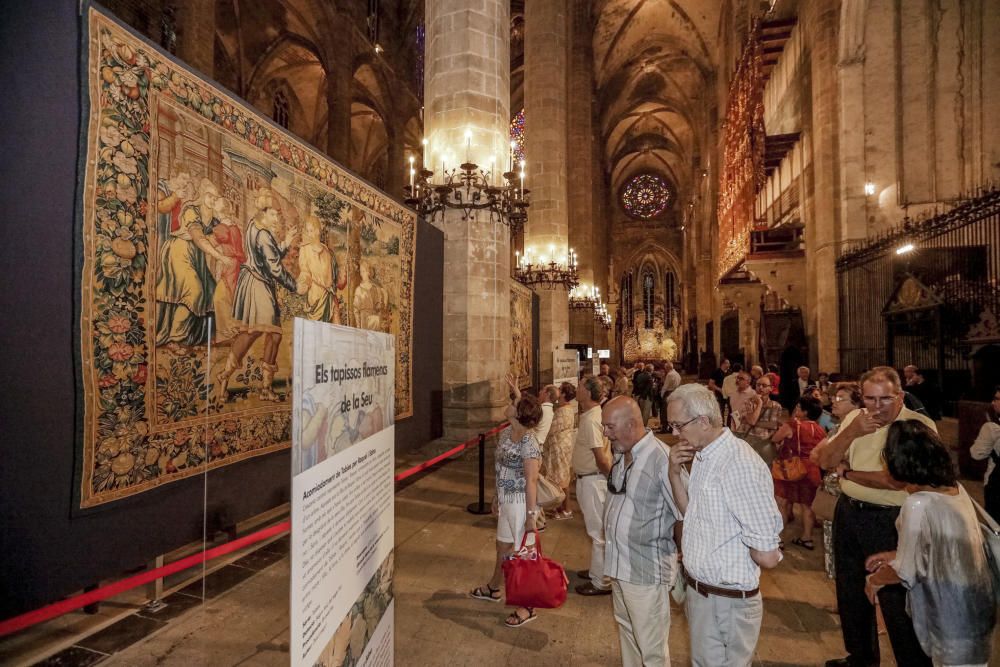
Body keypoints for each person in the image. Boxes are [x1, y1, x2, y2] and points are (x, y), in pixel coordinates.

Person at [817, 366, 936, 667]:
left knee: (895, 596)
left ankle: (911, 660)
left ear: (899, 396)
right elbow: (826, 460)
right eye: (869, 399)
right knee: (851, 588)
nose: (876, 407)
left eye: (884, 399)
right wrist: (852, 434)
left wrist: (850, 472)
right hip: (850, 511)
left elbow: (897, 479)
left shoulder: (916, 425)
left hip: (892, 518)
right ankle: (861, 656)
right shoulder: (856, 420)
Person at [666, 384, 783, 666]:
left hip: (726, 601)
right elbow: (692, 514)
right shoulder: (707, 454)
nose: (673, 433)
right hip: (705, 594)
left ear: (703, 421)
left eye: (677, 425)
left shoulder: (739, 463)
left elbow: (766, 554)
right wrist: (673, 473)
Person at [863, 421, 996, 666]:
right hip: (977, 604)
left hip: (949, 612)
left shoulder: (918, 504)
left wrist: (875, 580)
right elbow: (944, 547)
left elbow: (906, 571)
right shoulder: (956, 490)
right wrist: (895, 554)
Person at [601, 396, 684, 667]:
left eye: (610, 427)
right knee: (628, 634)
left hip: (645, 571)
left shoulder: (662, 459)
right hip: (620, 565)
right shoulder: (622, 452)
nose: (605, 433)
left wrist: (686, 559)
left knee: (652, 649)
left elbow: (687, 512)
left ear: (632, 424)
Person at [469, 393, 543, 628]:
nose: (508, 406)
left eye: (513, 404)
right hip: (506, 500)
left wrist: (531, 517)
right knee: (503, 545)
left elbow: (531, 480)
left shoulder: (529, 442)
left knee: (524, 555)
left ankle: (528, 606)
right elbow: (501, 468)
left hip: (521, 503)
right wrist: (496, 496)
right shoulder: (507, 433)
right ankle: (493, 587)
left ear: (518, 414)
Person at [216, 190, 298, 402]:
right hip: (258, 285)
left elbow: (268, 255)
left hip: (250, 281)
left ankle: (224, 376)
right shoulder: (263, 234)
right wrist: (294, 286)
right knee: (274, 333)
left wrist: (286, 242)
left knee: (250, 333)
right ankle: (265, 388)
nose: (277, 218)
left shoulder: (254, 226)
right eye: (273, 214)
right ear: (264, 212)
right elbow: (274, 269)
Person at [155, 178, 234, 350]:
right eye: (210, 196)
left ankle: (201, 338)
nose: (213, 200)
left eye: (215, 197)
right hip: (179, 251)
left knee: (212, 292)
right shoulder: (192, 210)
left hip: (196, 256)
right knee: (194, 290)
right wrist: (219, 257)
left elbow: (212, 241)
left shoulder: (213, 220)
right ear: (202, 195)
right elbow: (199, 239)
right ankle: (175, 338)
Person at [810, 382, 864, 580]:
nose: (834, 402)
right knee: (832, 543)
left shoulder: (861, 429)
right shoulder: (838, 428)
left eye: (841, 399)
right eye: (834, 398)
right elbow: (816, 456)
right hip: (833, 494)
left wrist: (834, 460)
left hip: (850, 496)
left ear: (857, 404)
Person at [573, 376, 613, 595]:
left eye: (580, 387)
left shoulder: (590, 420)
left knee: (597, 533)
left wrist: (612, 480)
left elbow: (601, 457)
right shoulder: (592, 414)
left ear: (588, 393)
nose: (577, 390)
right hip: (588, 479)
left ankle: (601, 581)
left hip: (593, 480)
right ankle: (597, 571)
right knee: (595, 530)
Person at [771, 396, 826, 550]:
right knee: (807, 506)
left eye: (799, 407)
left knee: (781, 504)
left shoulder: (793, 425)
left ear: (804, 411)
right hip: (812, 469)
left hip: (791, 468)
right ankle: (807, 538)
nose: (796, 409)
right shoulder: (820, 429)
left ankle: (779, 539)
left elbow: (776, 438)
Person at [296, 214, 346, 324]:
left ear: (318, 231)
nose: (309, 234)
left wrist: (342, 273)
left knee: (335, 331)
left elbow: (334, 278)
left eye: (311, 230)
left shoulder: (327, 252)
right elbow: (304, 271)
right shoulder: (305, 249)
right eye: (308, 231)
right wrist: (303, 282)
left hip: (329, 296)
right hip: (315, 297)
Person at [542, 382, 578, 520]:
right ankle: (559, 507)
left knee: (562, 480)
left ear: (563, 394)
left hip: (560, 448)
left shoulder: (564, 410)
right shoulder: (562, 408)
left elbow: (552, 429)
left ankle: (567, 509)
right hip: (559, 447)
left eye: (560, 389)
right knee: (558, 479)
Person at [970, 385, 1000, 521]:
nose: (993, 402)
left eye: (997, 399)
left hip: (996, 486)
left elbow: (976, 454)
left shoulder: (992, 429)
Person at [657, 361, 682, 433]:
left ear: (667, 368)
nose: (665, 369)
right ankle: (671, 428)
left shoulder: (670, 374)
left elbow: (665, 386)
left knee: (665, 412)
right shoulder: (677, 374)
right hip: (675, 393)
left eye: (665, 368)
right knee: (672, 411)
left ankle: (664, 428)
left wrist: (662, 394)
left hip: (668, 393)